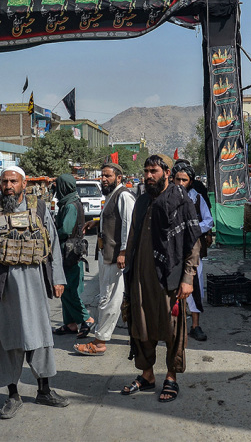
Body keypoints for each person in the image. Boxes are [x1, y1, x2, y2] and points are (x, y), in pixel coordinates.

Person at [0, 166, 68, 420]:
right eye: (4, 181)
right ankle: (12, 395)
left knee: (41, 336)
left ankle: (44, 390)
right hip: (4, 285)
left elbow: (53, 243)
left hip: (34, 281)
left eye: (13, 181)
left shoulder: (39, 208)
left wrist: (58, 278)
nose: (8, 185)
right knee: (8, 339)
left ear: (24, 184)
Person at [120, 155, 202, 403]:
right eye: (146, 171)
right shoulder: (142, 200)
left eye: (153, 171)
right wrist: (128, 267)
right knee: (140, 327)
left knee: (172, 330)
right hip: (141, 278)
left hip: (170, 277)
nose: (148, 176)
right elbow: (133, 236)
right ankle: (147, 375)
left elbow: (193, 242)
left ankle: (171, 377)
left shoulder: (180, 199)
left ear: (167, 172)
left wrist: (188, 277)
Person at [74, 163, 136, 356]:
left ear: (119, 177)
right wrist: (97, 222)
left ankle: (100, 341)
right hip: (107, 254)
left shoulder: (124, 195)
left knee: (109, 299)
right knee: (107, 297)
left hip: (116, 257)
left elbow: (128, 225)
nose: (103, 179)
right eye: (102, 176)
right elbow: (113, 219)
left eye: (107, 176)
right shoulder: (112, 195)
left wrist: (124, 252)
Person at [171, 161, 213, 342]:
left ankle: (195, 326)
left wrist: (192, 229)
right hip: (172, 252)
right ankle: (173, 328)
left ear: (190, 181)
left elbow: (208, 221)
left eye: (184, 180)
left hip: (193, 251)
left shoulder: (197, 198)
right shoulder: (166, 198)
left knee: (193, 287)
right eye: (177, 179)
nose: (180, 183)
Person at [52, 174, 94, 338]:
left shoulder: (70, 205)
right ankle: (70, 324)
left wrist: (52, 232)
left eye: (57, 185)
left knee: (68, 289)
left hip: (69, 252)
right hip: (71, 250)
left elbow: (66, 230)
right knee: (66, 288)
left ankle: (86, 318)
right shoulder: (71, 201)